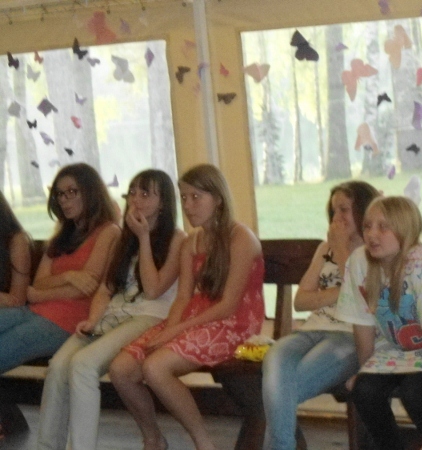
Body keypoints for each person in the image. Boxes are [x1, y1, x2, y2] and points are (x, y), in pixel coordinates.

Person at [109, 164, 264, 450]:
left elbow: (228, 305)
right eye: (184, 198)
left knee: (155, 368)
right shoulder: (192, 242)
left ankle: (204, 444)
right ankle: (153, 439)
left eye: (196, 197)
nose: (188, 206)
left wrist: (175, 332)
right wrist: (168, 329)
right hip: (196, 319)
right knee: (121, 370)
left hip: (233, 324)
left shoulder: (241, 238)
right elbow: (182, 297)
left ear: (218, 199)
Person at [37, 169, 186, 450]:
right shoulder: (122, 237)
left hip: (150, 316)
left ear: (163, 203)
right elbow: (106, 289)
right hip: (114, 314)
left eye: (145, 194)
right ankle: (46, 446)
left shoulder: (177, 239)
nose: (136, 200)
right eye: (133, 193)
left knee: (84, 365)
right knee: (58, 365)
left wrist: (143, 238)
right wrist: (93, 320)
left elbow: (153, 289)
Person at [335, 196, 422, 450]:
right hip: (397, 350)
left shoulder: (421, 263)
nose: (372, 234)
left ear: (405, 230)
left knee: (416, 393)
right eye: (367, 226)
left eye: (383, 227)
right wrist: (365, 370)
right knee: (364, 390)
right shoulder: (359, 262)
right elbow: (363, 323)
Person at [262, 180, 379, 450]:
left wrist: (341, 251)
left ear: (362, 210)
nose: (337, 217)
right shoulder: (324, 249)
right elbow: (301, 301)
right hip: (310, 330)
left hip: (349, 337)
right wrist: (341, 292)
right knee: (274, 356)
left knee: (277, 391)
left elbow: (364, 299)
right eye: (333, 210)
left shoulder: (373, 250)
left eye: (344, 210)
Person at [0, 163, 119, 373]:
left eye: (71, 192)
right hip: (34, 311)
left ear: (90, 192)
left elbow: (86, 287)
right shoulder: (61, 236)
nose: (64, 200)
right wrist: (69, 276)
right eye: (60, 194)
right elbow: (39, 282)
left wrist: (39, 295)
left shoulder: (108, 231)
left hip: (68, 322)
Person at [0, 191, 33, 438]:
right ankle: (9, 418)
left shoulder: (16, 240)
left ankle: (8, 419)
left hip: (16, 313)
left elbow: (17, 298)